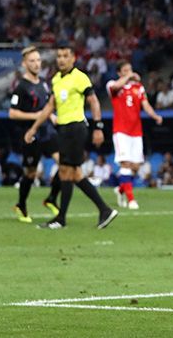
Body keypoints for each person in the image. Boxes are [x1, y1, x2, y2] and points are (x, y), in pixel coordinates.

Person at [25, 45, 118, 230]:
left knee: (66, 171)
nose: (61, 59)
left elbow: (93, 101)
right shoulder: (56, 79)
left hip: (76, 128)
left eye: (65, 56)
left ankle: (62, 218)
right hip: (64, 130)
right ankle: (103, 210)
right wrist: (34, 128)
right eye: (59, 56)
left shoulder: (80, 77)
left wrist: (98, 127)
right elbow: (49, 107)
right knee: (73, 174)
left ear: (73, 58)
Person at [9, 46, 61, 222]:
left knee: (65, 164)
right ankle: (21, 205)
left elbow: (46, 106)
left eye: (38, 60)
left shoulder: (44, 83)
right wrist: (35, 116)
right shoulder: (21, 87)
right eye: (32, 61)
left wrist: (51, 116)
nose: (37, 64)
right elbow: (12, 113)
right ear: (24, 64)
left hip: (47, 131)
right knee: (31, 173)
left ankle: (52, 198)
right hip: (30, 134)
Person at [108, 61, 163, 210]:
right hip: (121, 131)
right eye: (125, 71)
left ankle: (120, 190)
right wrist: (129, 77)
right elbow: (116, 86)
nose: (129, 73)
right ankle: (131, 200)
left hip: (136, 131)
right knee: (125, 164)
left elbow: (145, 105)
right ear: (119, 73)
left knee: (136, 166)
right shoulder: (113, 85)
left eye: (130, 70)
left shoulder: (138, 88)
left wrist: (155, 116)